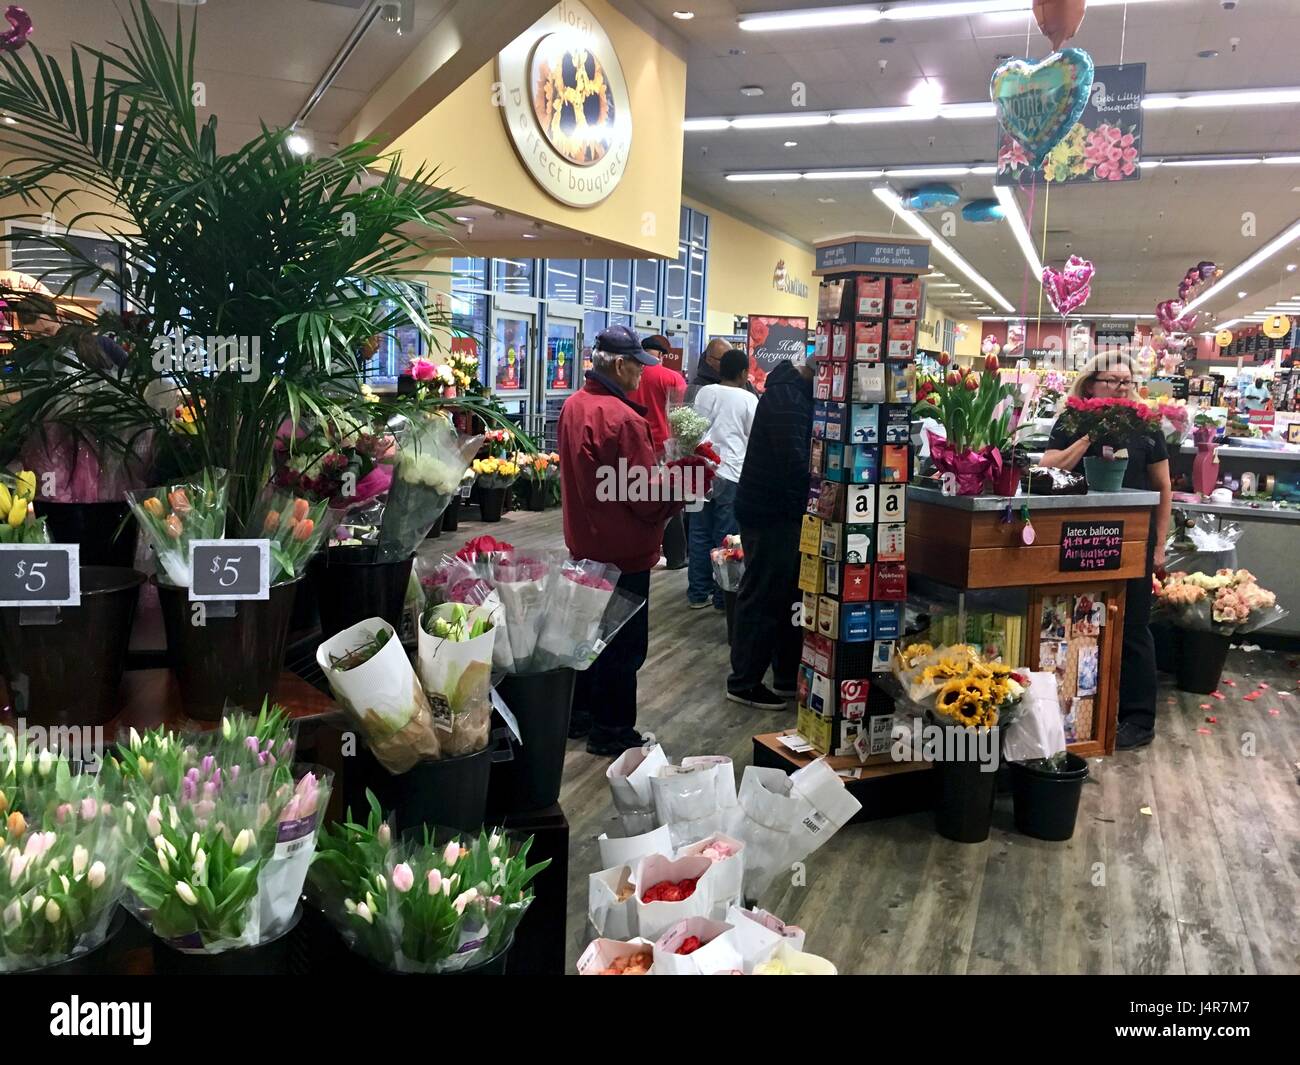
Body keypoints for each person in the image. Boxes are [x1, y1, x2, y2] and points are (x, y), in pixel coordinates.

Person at [557, 325, 709, 756]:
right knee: (623, 647)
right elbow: (644, 496)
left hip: (584, 544)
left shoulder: (574, 405)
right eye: (638, 367)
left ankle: (580, 717)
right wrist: (682, 485)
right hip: (624, 552)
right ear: (620, 364)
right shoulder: (622, 418)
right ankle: (613, 731)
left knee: (588, 639)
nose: (642, 376)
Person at [1041, 352, 1172, 750]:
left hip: (1133, 541)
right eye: (1112, 381)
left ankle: (1138, 719)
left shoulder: (1147, 426)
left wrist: (1160, 546)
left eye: (1126, 382)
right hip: (1080, 539)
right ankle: (1075, 715)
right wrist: (1088, 434)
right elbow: (1049, 465)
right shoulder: (1072, 420)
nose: (1120, 388)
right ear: (1091, 384)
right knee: (1077, 626)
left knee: (1132, 627)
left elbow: (1164, 488)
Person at [726, 356, 814, 709]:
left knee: (784, 595)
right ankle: (744, 681)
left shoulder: (792, 395)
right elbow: (794, 464)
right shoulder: (787, 400)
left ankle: (783, 675)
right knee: (762, 595)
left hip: (778, 512)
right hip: (770, 513)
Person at [688, 348, 756, 609]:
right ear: (742, 373)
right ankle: (722, 597)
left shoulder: (705, 392)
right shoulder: (748, 400)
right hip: (732, 473)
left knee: (698, 533)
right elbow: (753, 437)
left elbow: (692, 429)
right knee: (726, 538)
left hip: (699, 471)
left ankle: (697, 593)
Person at [628, 334, 688, 569]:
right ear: (663, 355)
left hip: (632, 444)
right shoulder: (671, 377)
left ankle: (636, 549)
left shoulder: (627, 375)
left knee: (631, 496)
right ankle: (675, 556)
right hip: (664, 448)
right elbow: (683, 413)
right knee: (668, 500)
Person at [685, 337, 729, 404]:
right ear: (709, 360)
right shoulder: (696, 388)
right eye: (724, 360)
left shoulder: (740, 383)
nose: (730, 364)